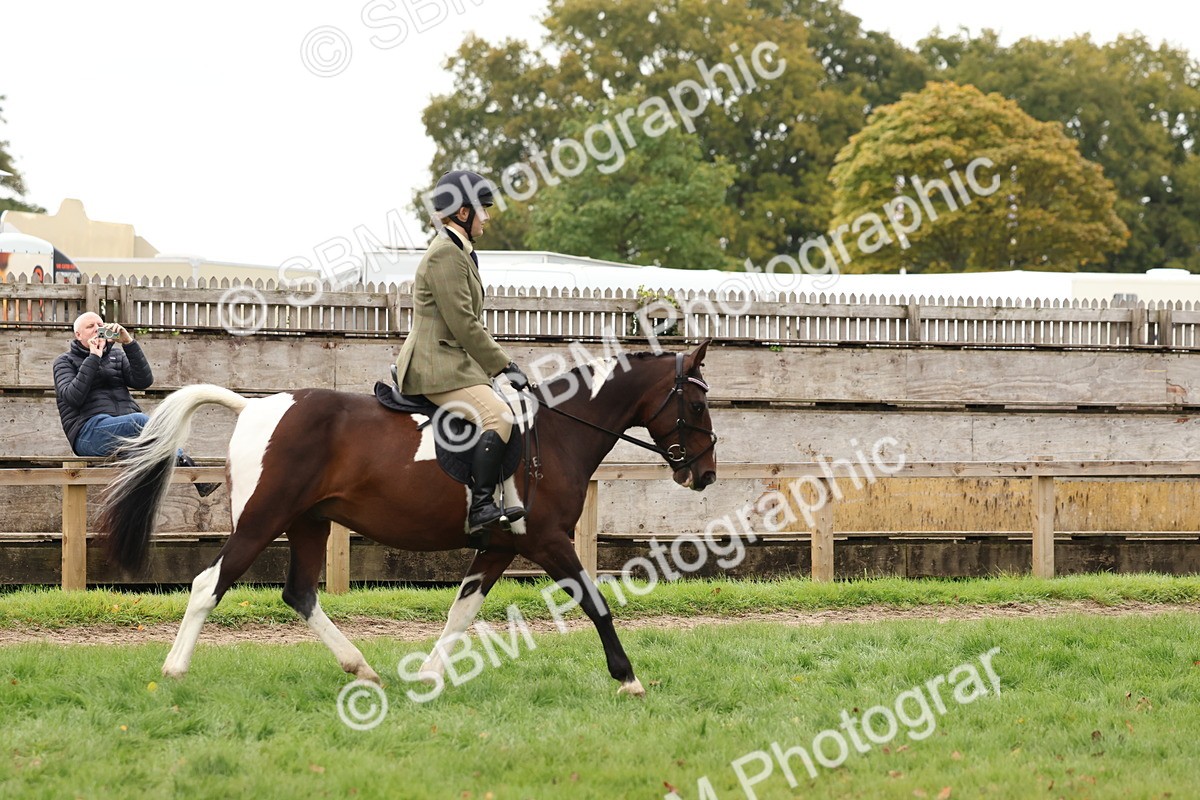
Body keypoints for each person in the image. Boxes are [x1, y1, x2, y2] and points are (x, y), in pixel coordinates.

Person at [394, 170, 529, 533]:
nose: (487, 216)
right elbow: (464, 324)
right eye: (482, 209)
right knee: (498, 417)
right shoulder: (445, 256)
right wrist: (505, 365)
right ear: (463, 213)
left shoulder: (459, 251)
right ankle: (481, 507)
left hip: (453, 362)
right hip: (434, 365)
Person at [53, 312, 217, 497]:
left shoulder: (116, 355)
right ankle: (184, 462)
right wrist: (93, 358)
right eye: (90, 326)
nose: (97, 329)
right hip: (88, 433)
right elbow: (72, 397)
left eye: (100, 324)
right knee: (138, 421)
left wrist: (129, 343)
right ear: (78, 335)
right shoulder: (64, 362)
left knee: (155, 433)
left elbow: (143, 381)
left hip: (126, 433)